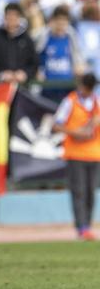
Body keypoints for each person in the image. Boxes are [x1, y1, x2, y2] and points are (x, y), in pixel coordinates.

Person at [53, 73, 100, 241]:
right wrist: (76, 133)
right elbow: (56, 125)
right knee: (79, 192)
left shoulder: (97, 103)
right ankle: (82, 227)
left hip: (94, 154)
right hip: (75, 154)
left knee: (90, 193)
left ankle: (87, 225)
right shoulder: (70, 101)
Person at [0, 2, 39, 82]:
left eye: (15, 15)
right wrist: (0, 74)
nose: (11, 19)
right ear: (4, 17)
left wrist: (25, 74)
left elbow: (34, 64)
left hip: (21, 87)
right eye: (9, 15)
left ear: (20, 18)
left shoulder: (27, 40)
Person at [35, 6, 85, 101]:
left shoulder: (71, 38)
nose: (60, 25)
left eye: (64, 22)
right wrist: (37, 70)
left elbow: (78, 60)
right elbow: (35, 57)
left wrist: (79, 67)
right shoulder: (43, 38)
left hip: (67, 88)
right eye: (58, 21)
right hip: (47, 89)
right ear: (52, 21)